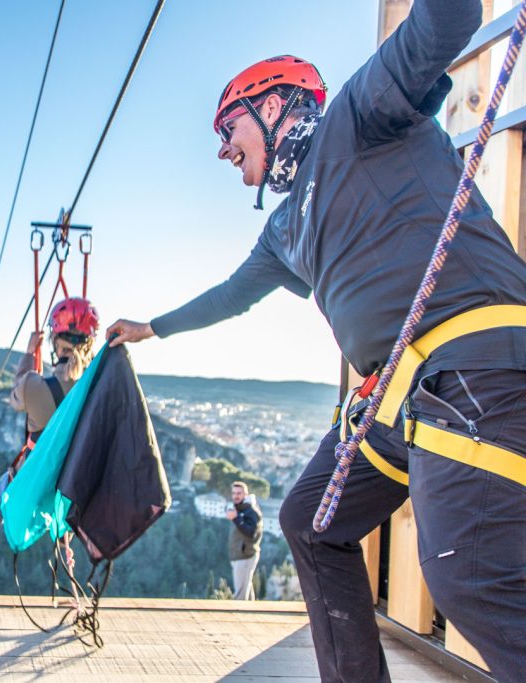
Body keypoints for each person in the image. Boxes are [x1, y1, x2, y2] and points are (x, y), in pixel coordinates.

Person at [107, 2, 526, 680]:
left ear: (274, 106)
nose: (222, 149)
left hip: (472, 364)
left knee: (469, 577)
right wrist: (151, 328)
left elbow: (449, 20)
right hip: (402, 399)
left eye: (228, 127)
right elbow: (229, 296)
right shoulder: (283, 229)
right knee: (309, 518)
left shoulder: (362, 115)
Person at [0, 297, 99, 544]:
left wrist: (30, 353)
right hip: (73, 479)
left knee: (3, 490)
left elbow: (17, 394)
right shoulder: (94, 390)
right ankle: (64, 530)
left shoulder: (34, 386)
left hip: (37, 476)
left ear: (55, 342)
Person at [226, 481, 262, 600]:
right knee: (246, 588)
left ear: (246, 495)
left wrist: (236, 519)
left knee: (240, 595)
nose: (236, 496)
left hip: (245, 556)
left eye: (239, 493)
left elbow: (251, 533)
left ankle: (238, 617)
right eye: (234, 493)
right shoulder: (240, 510)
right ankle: (251, 615)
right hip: (239, 555)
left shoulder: (251, 512)